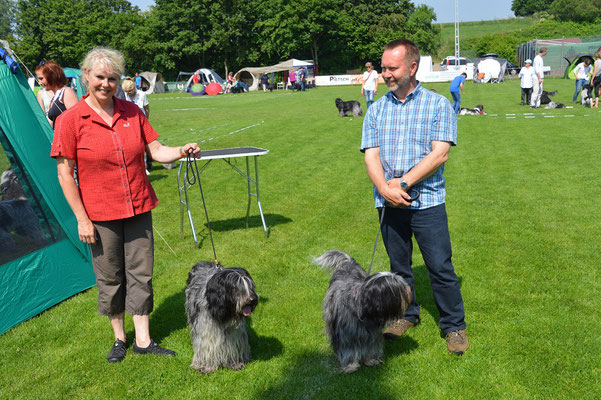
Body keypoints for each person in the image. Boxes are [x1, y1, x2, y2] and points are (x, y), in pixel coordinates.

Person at [51, 47, 201, 363]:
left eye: (113, 78)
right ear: (85, 77)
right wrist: (81, 218)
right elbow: (65, 173)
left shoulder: (132, 111)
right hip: (99, 214)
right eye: (100, 77)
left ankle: (144, 341)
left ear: (120, 80)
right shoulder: (70, 120)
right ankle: (120, 339)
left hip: (138, 207)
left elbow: (156, 150)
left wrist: (182, 150)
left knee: (141, 273)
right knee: (110, 276)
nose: (106, 84)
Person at [361, 38, 468, 355]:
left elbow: (440, 154)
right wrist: (384, 189)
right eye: (383, 68)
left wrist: (401, 185)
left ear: (412, 66)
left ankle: (454, 326)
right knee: (398, 268)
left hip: (428, 203)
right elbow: (371, 155)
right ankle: (406, 315)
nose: (385, 74)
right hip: (388, 203)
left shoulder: (437, 105)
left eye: (391, 68)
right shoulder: (377, 110)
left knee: (440, 267)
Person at [35, 61, 78, 129]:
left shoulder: (66, 92)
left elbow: (77, 121)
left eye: (41, 79)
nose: (40, 83)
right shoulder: (54, 97)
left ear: (52, 76)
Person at [122, 78, 152, 173]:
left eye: (131, 91)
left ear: (134, 87)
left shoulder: (142, 95)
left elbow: (147, 109)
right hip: (128, 125)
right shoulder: (124, 96)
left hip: (141, 123)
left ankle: (145, 167)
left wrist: (146, 121)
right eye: (127, 92)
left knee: (142, 146)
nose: (129, 93)